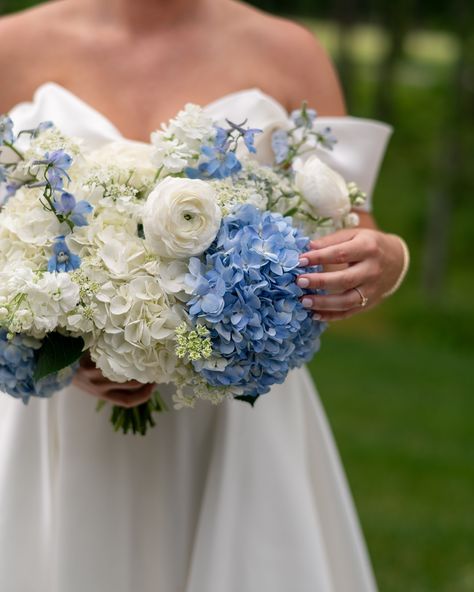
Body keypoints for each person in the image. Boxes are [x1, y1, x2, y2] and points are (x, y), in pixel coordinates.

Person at [0, 1, 408, 590]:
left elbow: (352, 230)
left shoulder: (290, 52)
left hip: (237, 428)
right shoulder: (11, 44)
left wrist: (388, 259)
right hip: (57, 429)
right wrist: (58, 344)